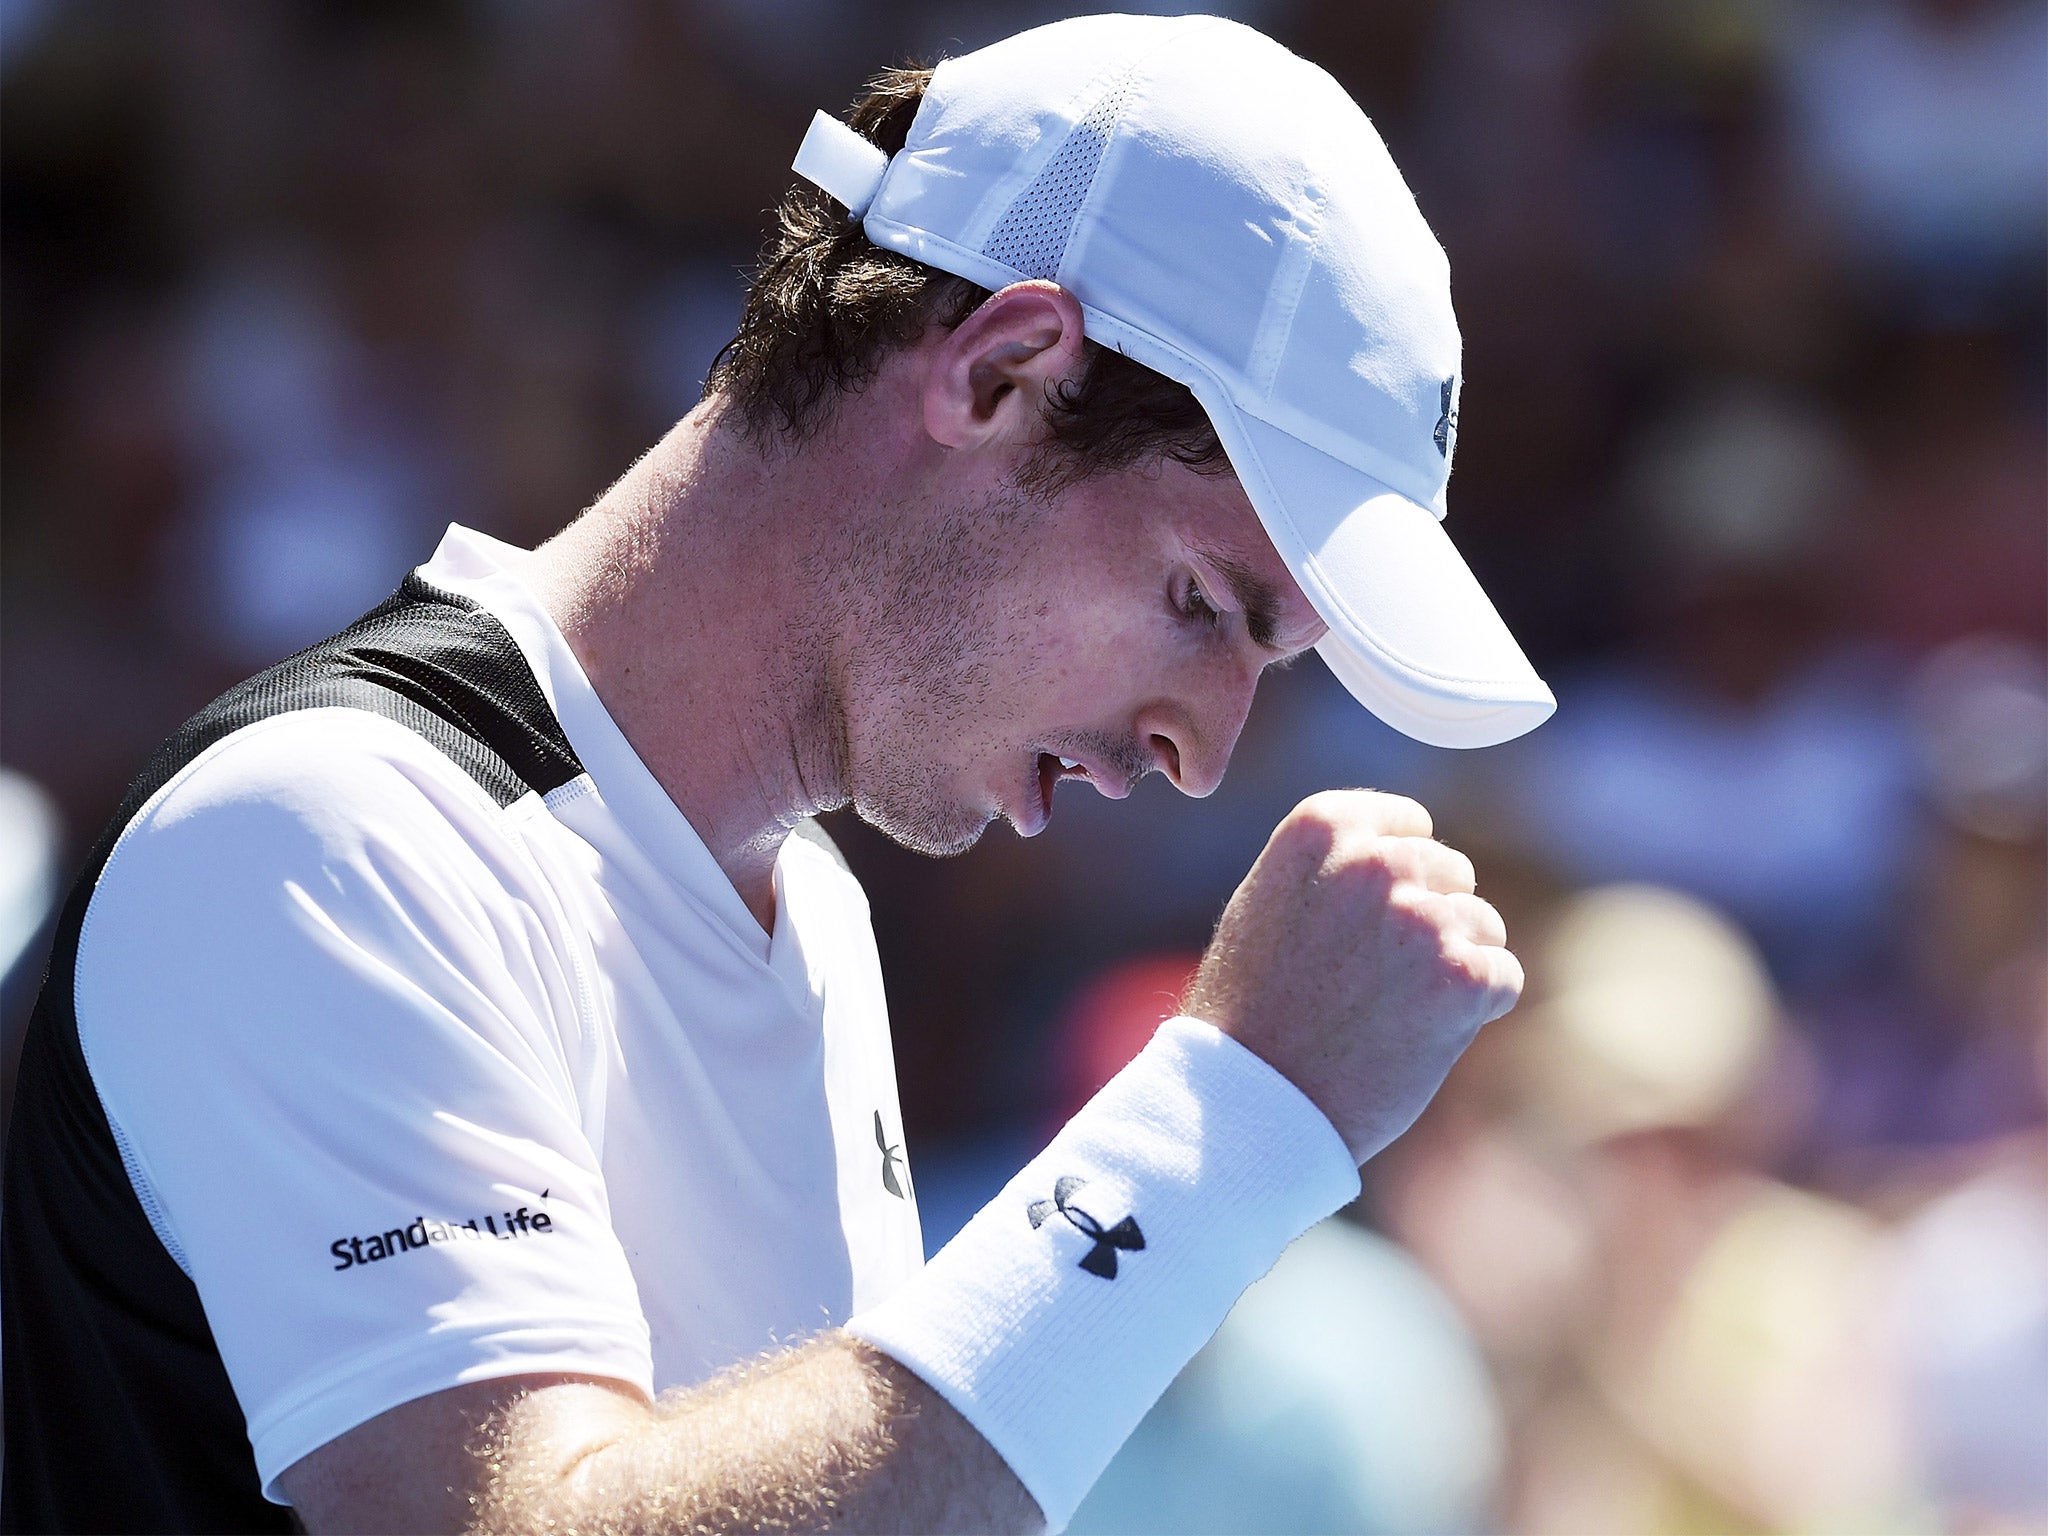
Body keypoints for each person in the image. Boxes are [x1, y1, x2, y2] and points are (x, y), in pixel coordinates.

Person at [1, 15, 1551, 1534]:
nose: (1201, 752)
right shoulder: (327, 833)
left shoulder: (804, 902)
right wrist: (1231, 1123)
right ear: (1004, 373)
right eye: (1203, 604)